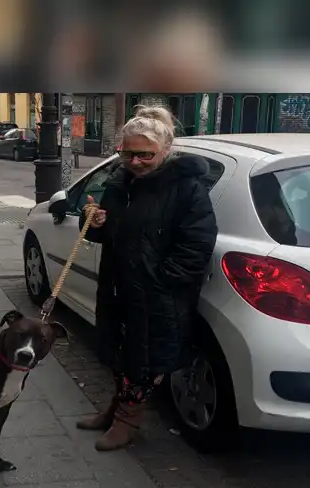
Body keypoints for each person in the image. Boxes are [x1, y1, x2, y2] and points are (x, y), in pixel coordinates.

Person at [76, 105, 218, 452]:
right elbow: (105, 232)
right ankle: (116, 408)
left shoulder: (185, 188)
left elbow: (197, 244)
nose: (135, 161)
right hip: (118, 288)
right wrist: (94, 222)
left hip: (158, 296)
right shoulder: (119, 182)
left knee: (146, 362)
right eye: (128, 153)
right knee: (121, 355)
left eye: (145, 154)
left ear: (166, 151)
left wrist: (161, 281)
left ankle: (128, 419)